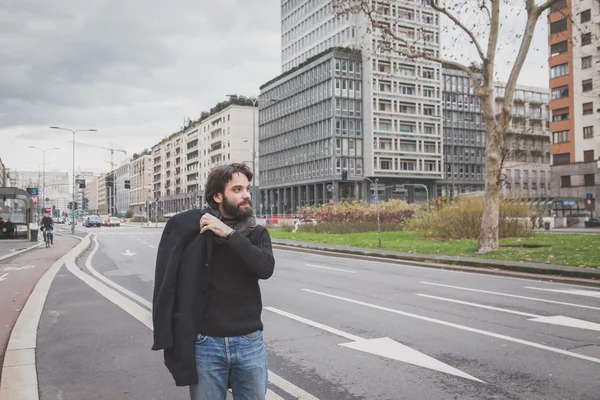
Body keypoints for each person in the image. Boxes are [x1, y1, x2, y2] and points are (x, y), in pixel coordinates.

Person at [153, 163, 275, 400]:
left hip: (249, 342)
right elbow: (167, 285)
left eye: (247, 189)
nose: (246, 195)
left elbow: (264, 268)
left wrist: (229, 234)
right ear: (218, 196)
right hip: (206, 344)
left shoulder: (256, 233)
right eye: (237, 189)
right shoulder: (197, 234)